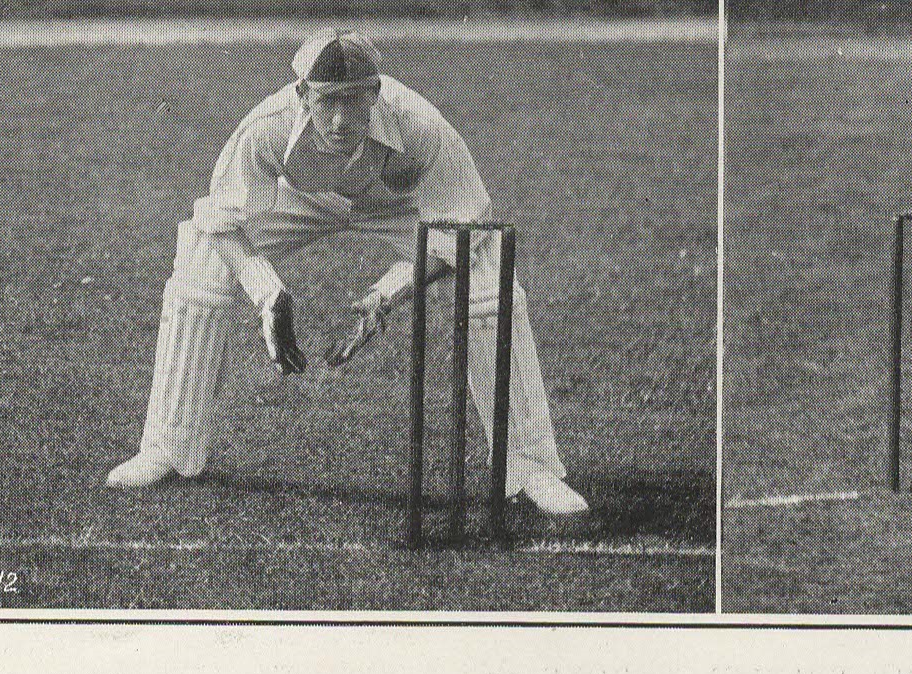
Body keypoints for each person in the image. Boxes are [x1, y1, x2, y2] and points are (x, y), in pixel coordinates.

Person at [105, 27, 587, 521]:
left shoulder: (419, 124)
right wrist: (268, 295)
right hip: (299, 201)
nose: (338, 121)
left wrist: (388, 293)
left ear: (375, 93)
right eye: (326, 102)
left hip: (390, 206)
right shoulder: (266, 127)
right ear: (302, 96)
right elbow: (220, 221)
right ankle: (167, 445)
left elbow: (466, 226)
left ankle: (528, 464)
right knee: (201, 258)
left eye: (354, 102)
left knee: (488, 276)